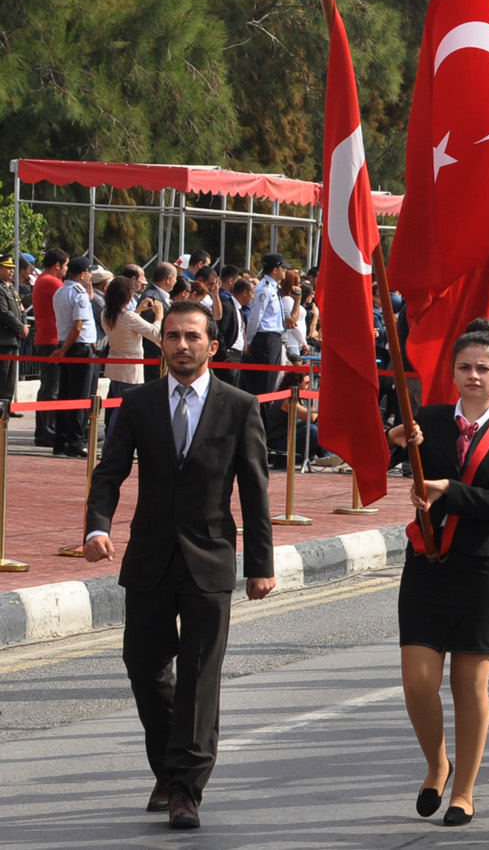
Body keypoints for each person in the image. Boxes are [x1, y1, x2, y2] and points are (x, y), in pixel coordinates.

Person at [83, 300, 275, 830]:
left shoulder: (239, 406)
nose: (181, 345)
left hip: (211, 559)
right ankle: (169, 766)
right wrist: (97, 526)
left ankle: (186, 786)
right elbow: (109, 471)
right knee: (144, 668)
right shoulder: (140, 403)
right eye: (172, 336)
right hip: (148, 557)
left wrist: (261, 563)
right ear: (160, 343)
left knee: (198, 674)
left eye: (192, 336)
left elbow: (256, 492)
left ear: (212, 345)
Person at [387, 320, 489, 827]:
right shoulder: (426, 419)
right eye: (465, 367)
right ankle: (437, 762)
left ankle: (464, 790)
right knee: (417, 681)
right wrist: (394, 438)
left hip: (480, 572)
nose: (473, 375)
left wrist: (449, 487)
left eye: (483, 368)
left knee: (470, 685)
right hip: (426, 567)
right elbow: (375, 463)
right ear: (452, 373)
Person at [102, 275, 164, 439]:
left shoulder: (106, 314)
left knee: (119, 408)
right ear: (127, 296)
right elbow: (156, 335)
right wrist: (159, 316)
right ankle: (112, 445)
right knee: (121, 410)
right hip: (129, 370)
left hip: (115, 365)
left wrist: (138, 312)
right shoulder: (128, 317)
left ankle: (114, 443)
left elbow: (124, 328)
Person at [52, 256, 98, 458]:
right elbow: (78, 326)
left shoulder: (61, 291)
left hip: (67, 344)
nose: (90, 276)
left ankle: (61, 440)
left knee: (65, 395)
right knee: (79, 396)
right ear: (82, 274)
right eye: (88, 273)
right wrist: (65, 349)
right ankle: (75, 441)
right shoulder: (78, 294)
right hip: (78, 347)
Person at [30, 248, 67, 449]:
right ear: (57, 265)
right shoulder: (51, 282)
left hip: (48, 338)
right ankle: (47, 432)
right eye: (66, 265)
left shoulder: (43, 280)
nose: (66, 270)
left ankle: (45, 431)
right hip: (51, 340)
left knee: (49, 387)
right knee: (51, 389)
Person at [246, 254, 287, 394]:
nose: (285, 271)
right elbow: (255, 317)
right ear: (275, 270)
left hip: (274, 338)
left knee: (271, 382)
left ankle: (265, 412)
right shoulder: (264, 288)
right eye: (282, 268)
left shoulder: (273, 287)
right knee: (265, 383)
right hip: (266, 339)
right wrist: (249, 340)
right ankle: (262, 414)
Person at [0, 256, 28, 407]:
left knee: (10, 380)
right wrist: (20, 328)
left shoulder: (11, 289)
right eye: (7, 268)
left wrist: (24, 325)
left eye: (12, 268)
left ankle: (6, 408)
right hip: (3, 340)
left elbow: (21, 311)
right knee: (2, 378)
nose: (11, 271)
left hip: (12, 339)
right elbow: (4, 313)